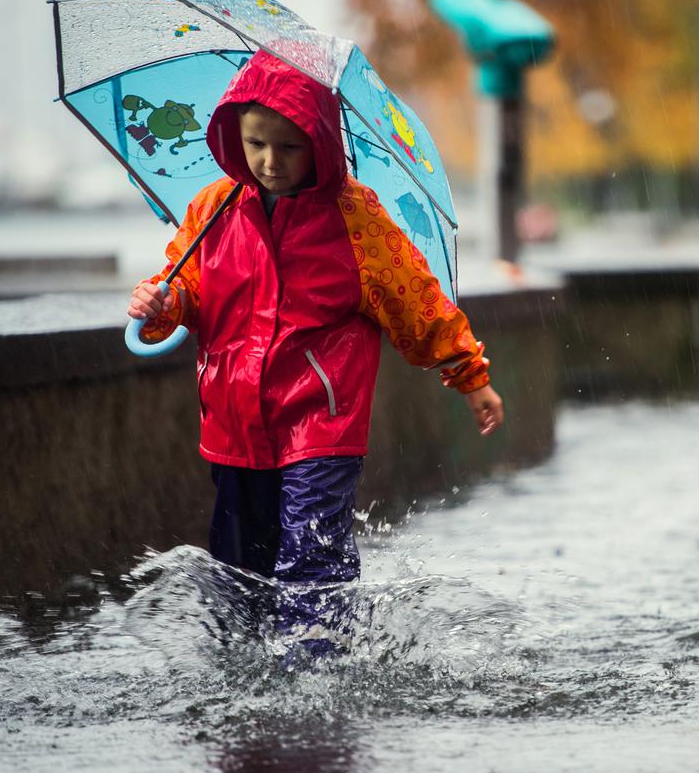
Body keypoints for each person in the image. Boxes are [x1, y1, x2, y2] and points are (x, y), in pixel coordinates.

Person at [126, 51, 504, 656]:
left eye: (289, 147)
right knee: (237, 566)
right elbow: (188, 288)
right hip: (234, 422)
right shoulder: (213, 209)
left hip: (319, 423)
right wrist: (161, 304)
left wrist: (468, 373)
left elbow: (416, 300)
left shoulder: (355, 219)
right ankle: (246, 667)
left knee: (312, 556)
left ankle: (318, 673)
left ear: (321, 144)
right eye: (255, 144)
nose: (270, 163)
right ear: (233, 138)